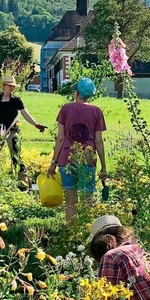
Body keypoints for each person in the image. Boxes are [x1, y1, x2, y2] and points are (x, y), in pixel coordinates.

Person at [47, 77, 106, 222]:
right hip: (87, 159)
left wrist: (53, 162)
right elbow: (98, 141)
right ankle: (88, 234)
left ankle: (70, 235)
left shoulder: (66, 109)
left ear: (77, 93)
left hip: (66, 159)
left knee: (71, 201)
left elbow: (60, 138)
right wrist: (103, 166)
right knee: (88, 199)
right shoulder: (97, 112)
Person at [0, 75, 46, 186]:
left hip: (12, 131)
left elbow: (25, 114)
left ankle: (23, 182)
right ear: (4, 86)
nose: (12, 88)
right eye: (10, 86)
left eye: (13, 86)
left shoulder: (16, 100)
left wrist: (36, 125)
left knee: (16, 156)